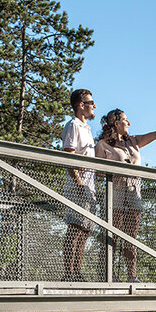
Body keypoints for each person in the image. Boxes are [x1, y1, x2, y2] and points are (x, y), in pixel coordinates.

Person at [95, 109, 156, 282]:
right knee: (112, 237)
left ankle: (131, 275)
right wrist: (115, 171)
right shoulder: (103, 145)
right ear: (116, 124)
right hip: (115, 195)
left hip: (134, 195)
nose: (129, 123)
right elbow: (97, 172)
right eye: (126, 120)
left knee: (131, 237)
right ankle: (108, 274)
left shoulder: (134, 141)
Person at [61, 88, 97, 281]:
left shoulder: (87, 128)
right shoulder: (73, 125)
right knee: (75, 228)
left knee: (85, 230)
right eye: (91, 102)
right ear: (81, 105)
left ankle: (77, 272)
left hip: (90, 188)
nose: (94, 106)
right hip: (79, 187)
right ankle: (69, 273)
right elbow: (69, 155)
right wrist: (79, 182)